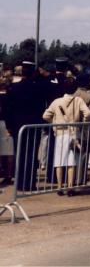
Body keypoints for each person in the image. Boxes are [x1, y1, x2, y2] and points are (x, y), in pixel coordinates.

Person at [5, 61, 50, 191]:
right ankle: (29, 183)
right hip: (33, 126)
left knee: (19, 154)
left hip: (17, 126)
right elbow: (42, 107)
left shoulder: (13, 88)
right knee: (31, 155)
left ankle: (19, 183)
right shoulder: (38, 88)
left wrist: (9, 126)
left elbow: (8, 109)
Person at [42, 78, 90, 195]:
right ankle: (70, 187)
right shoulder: (78, 100)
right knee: (72, 161)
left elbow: (45, 116)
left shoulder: (56, 101)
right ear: (75, 88)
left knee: (59, 162)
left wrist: (54, 123)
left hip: (60, 134)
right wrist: (83, 124)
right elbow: (88, 113)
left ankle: (59, 187)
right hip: (74, 133)